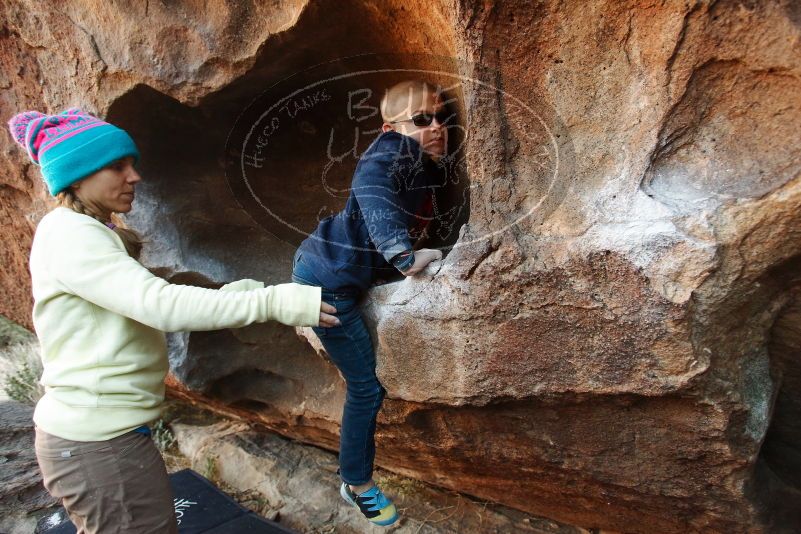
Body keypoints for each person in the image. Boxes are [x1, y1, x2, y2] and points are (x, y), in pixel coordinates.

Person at [7, 108, 339, 533]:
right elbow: (158, 304)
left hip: (103, 438)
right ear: (76, 176)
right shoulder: (73, 235)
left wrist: (241, 295)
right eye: (117, 166)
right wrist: (273, 301)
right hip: (99, 445)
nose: (135, 177)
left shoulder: (81, 230)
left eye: (133, 164)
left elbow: (137, 303)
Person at [291, 80, 450, 526]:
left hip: (335, 271)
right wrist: (403, 254)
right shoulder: (389, 152)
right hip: (326, 284)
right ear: (390, 127)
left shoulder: (422, 165)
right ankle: (356, 485)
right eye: (421, 119)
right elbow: (373, 183)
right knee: (366, 388)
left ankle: (310, 324)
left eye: (441, 118)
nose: (436, 126)